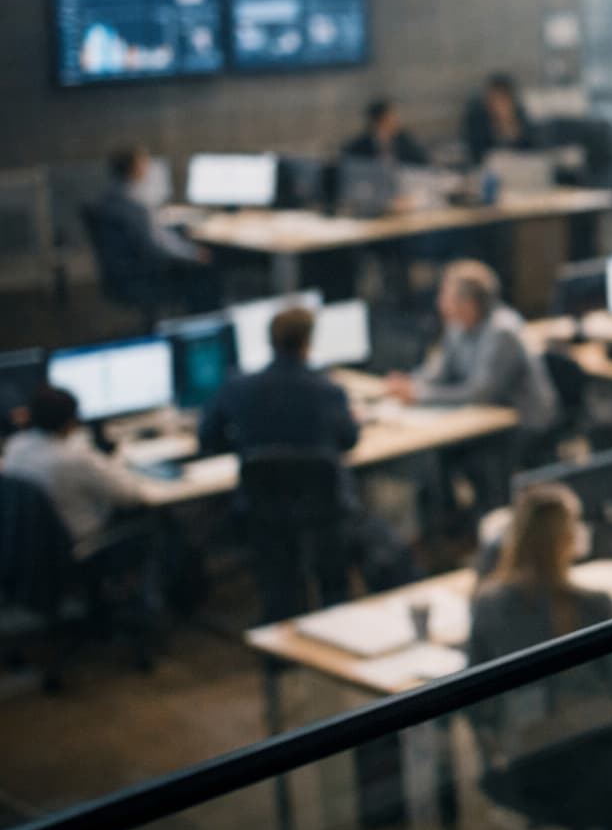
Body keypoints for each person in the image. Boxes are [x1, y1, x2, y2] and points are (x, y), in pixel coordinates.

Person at [468, 483, 612, 830]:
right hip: (598, 764)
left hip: (526, 764)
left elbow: (475, 698)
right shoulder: (594, 606)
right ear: (566, 539)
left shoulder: (488, 605)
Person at [200, 307, 415, 618]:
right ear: (307, 343)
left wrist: (246, 446)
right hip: (325, 515)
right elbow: (349, 441)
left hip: (264, 516)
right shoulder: (328, 391)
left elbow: (208, 439)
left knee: (278, 575)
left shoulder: (236, 387)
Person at [386, 260, 558, 513]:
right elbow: (439, 372)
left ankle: (486, 519)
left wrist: (420, 394)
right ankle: (450, 527)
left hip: (523, 423)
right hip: (485, 418)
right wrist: (409, 383)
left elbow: (480, 393)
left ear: (468, 304)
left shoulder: (502, 333)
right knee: (435, 456)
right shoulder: (457, 325)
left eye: (446, 297)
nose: (440, 304)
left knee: (470, 458)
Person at [2, 387, 144, 557]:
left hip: (32, 545)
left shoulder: (14, 446)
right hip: (82, 542)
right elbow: (130, 496)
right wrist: (114, 462)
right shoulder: (72, 459)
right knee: (160, 520)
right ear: (71, 421)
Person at [94, 144, 221, 311]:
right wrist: (194, 253)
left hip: (122, 275)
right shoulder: (136, 205)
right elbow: (158, 246)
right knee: (211, 265)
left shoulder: (109, 199)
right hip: (146, 276)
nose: (148, 167)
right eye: (145, 162)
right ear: (136, 168)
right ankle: (205, 322)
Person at [462, 73, 537, 162]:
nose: (496, 105)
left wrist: (509, 124)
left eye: (501, 99)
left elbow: (531, 148)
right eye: (492, 99)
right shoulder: (477, 119)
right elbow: (477, 153)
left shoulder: (519, 116)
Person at [342, 99, 430, 166]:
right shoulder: (359, 147)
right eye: (382, 121)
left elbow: (422, 160)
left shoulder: (405, 142)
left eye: (391, 120)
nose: (387, 125)